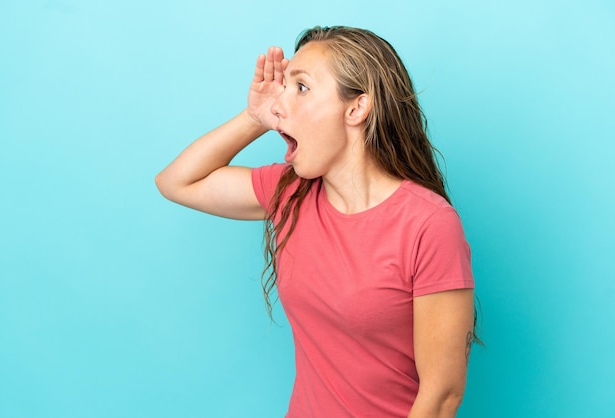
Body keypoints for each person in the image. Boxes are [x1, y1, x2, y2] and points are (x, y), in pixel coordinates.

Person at [156, 25, 477, 418]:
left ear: (356, 108)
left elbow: (442, 396)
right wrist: (256, 117)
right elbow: (177, 182)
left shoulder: (428, 224)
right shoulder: (292, 192)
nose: (281, 104)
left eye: (302, 88)